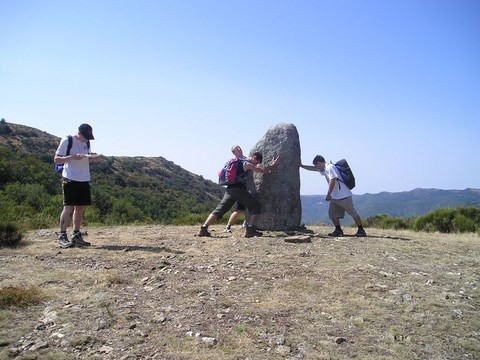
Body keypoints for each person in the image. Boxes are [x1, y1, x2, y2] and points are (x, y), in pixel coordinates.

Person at [198, 145, 280, 238]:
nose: (256, 165)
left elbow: (237, 153)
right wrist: (273, 165)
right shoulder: (246, 164)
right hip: (238, 190)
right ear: (253, 157)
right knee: (255, 206)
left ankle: (204, 228)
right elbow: (263, 171)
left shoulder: (235, 161)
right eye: (256, 162)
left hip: (229, 190)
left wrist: (236, 150)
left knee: (219, 210)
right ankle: (250, 230)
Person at [54, 123, 101, 248]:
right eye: (85, 136)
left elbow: (86, 158)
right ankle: (62, 235)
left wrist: (93, 158)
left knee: (80, 208)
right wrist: (72, 157)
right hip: (70, 178)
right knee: (68, 207)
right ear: (79, 133)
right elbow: (56, 159)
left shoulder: (87, 143)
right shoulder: (68, 140)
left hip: (84, 178)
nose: (87, 139)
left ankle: (76, 235)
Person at [300, 155, 366, 237]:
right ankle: (338, 230)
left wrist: (328, 194)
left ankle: (361, 230)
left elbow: (333, 180)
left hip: (344, 196)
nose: (316, 167)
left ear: (320, 162)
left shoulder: (329, 167)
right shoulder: (325, 169)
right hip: (335, 197)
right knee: (332, 214)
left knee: (352, 213)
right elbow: (314, 169)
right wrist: (302, 166)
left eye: (316, 165)